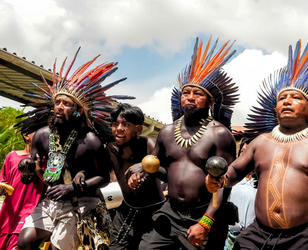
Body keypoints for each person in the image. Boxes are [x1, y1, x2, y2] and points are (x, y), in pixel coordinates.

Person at [206, 35, 308, 250]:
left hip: (307, 237)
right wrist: (220, 180)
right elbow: (234, 171)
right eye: (282, 98)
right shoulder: (260, 142)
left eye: (296, 98)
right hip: (258, 235)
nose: (287, 101)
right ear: (276, 108)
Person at [15, 49, 133, 250]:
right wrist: (26, 172)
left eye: (67, 104)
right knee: (25, 241)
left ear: (78, 111)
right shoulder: (42, 135)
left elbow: (103, 177)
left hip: (80, 202)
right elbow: (32, 170)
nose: (59, 107)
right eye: (57, 102)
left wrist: (72, 187)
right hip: (50, 201)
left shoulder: (90, 140)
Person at [135, 37, 239, 250]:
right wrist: (141, 171)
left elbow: (224, 184)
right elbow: (159, 168)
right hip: (170, 212)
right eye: (186, 93)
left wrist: (207, 221)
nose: (190, 98)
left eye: (197, 94)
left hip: (203, 215)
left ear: (210, 101)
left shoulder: (220, 134)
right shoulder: (166, 132)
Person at [107, 103, 165, 249]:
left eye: (125, 124)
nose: (119, 128)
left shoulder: (151, 146)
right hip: (125, 211)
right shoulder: (111, 149)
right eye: (115, 124)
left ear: (138, 129)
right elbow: (100, 174)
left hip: (154, 212)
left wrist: (147, 167)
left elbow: (170, 175)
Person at [0, 132, 45, 250]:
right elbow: (3, 181)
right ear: (25, 135)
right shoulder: (11, 157)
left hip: (30, 212)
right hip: (9, 214)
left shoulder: (44, 160)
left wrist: (39, 171)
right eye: (36, 131)